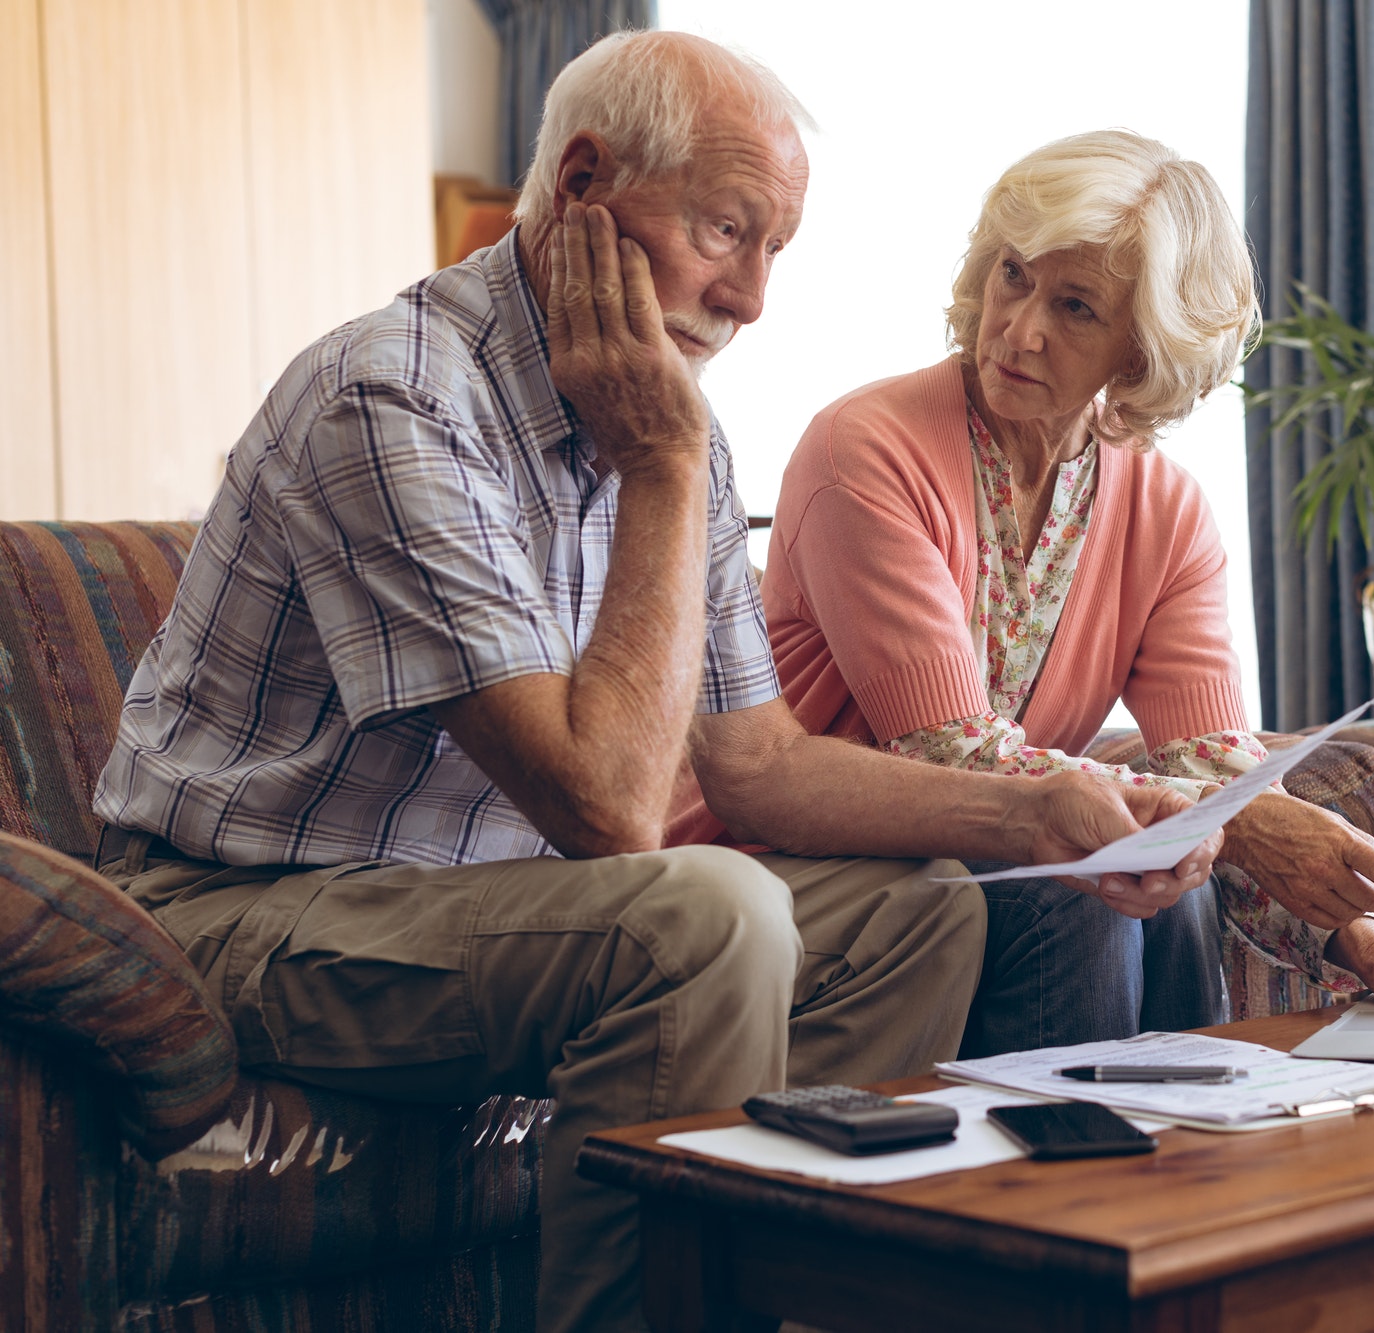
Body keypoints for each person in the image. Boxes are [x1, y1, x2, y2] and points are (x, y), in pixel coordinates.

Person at [90, 40, 1216, 1333]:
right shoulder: (394, 397)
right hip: (237, 915)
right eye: (726, 230)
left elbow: (760, 765)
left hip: (464, 908)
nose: (752, 296)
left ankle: (795, 1295)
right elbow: (611, 810)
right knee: (707, 914)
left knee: (923, 912)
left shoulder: (659, 413)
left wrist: (1037, 813)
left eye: (775, 249)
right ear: (581, 183)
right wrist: (671, 469)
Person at [670, 130, 1374, 1054]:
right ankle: (1073, 1183)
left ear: (1142, 355)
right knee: (1089, 885)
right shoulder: (866, 450)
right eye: (1014, 274)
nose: (1019, 328)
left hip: (988, 856)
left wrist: (1367, 943)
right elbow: (952, 753)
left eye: (1076, 307)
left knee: (1163, 887)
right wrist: (1232, 820)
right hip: (794, 857)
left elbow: (1214, 767)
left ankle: (1195, 1168)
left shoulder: (1166, 508)